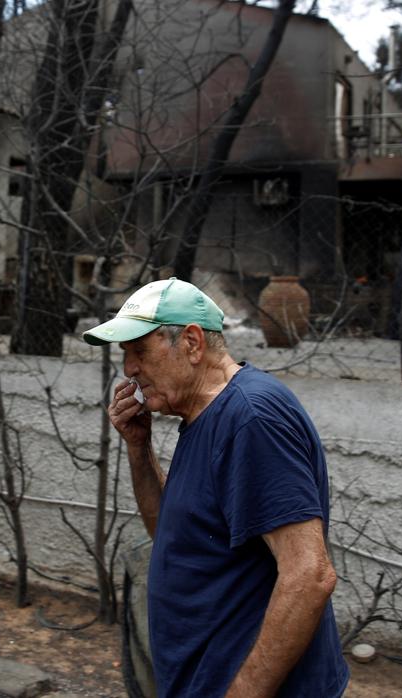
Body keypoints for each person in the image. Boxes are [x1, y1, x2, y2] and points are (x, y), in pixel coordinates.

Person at [83, 278, 348, 697]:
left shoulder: (251, 419)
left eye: (140, 351)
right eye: (126, 355)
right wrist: (139, 447)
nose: (130, 369)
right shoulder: (202, 414)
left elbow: (309, 575)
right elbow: (171, 534)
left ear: (190, 342)